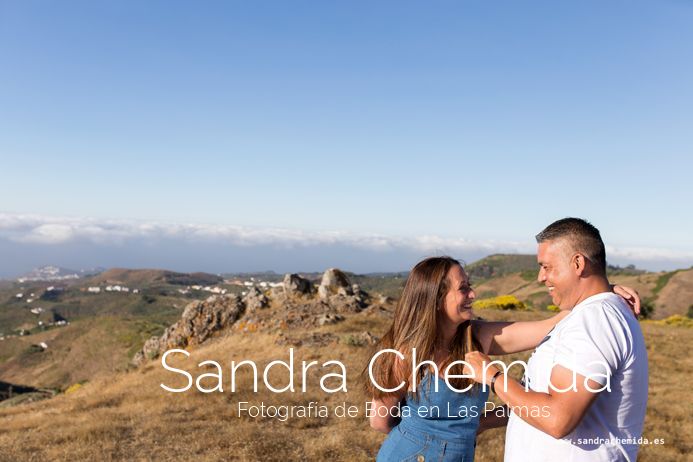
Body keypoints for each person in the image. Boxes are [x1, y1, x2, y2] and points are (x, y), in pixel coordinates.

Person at [366, 254, 640, 461]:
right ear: (435, 299)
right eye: (463, 289)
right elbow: (380, 421)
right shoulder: (402, 353)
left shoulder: (478, 337)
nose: (473, 294)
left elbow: (552, 324)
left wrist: (599, 291)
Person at [465, 218, 648, 461]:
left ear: (578, 263)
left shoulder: (595, 321)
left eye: (547, 266)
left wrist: (493, 377)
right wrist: (485, 421)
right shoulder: (587, 316)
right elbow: (540, 399)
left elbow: (557, 419)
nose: (541, 277)